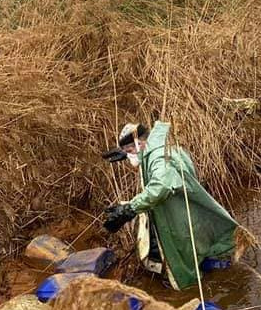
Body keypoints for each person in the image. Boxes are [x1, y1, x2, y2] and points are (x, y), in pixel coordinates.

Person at [101, 120, 238, 290]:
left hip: (179, 216)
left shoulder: (159, 157)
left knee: (184, 258)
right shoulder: (159, 146)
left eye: (130, 151)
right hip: (181, 207)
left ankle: (191, 291)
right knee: (196, 247)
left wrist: (130, 209)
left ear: (141, 143)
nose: (129, 157)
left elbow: (161, 186)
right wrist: (126, 153)